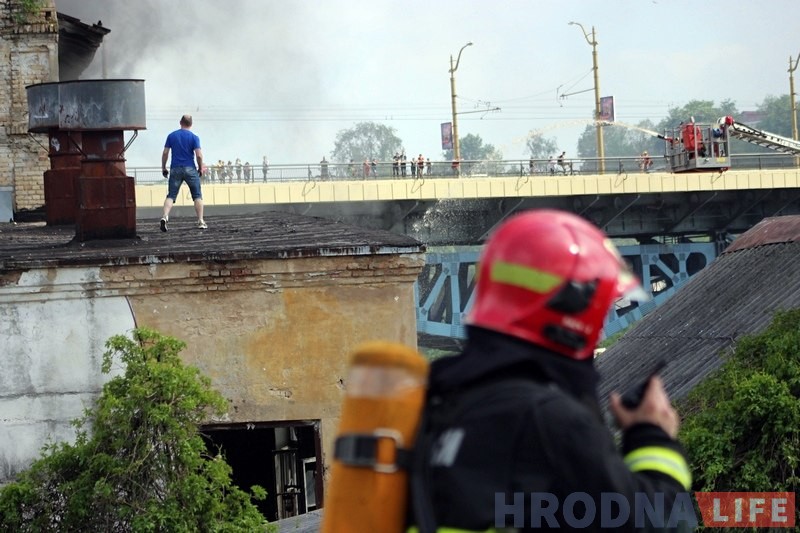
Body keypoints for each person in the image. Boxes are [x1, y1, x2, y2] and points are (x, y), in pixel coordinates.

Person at [408, 209, 692, 532]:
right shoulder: (549, 422)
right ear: (573, 310)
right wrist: (651, 434)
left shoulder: (441, 398)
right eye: (601, 309)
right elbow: (663, 519)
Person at [160, 115, 206, 231]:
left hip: (175, 168)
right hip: (190, 169)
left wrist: (163, 167)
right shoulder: (194, 137)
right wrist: (200, 168)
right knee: (197, 195)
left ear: (180, 122)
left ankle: (165, 217)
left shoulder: (171, 136)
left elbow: (165, 153)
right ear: (191, 124)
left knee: (171, 195)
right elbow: (199, 155)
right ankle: (200, 221)